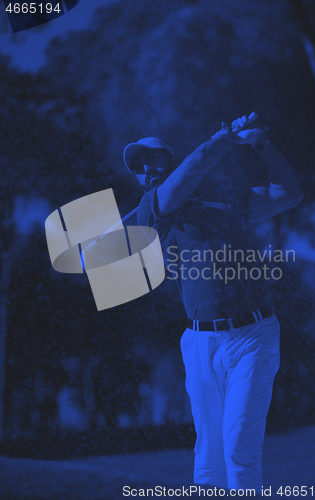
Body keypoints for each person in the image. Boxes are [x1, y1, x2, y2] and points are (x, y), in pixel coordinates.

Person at [123, 116, 303, 493]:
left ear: (170, 160)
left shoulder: (224, 201)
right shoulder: (151, 211)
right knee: (208, 463)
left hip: (253, 337)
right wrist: (223, 138)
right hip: (199, 343)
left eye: (153, 160)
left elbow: (289, 194)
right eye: (138, 167)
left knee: (239, 451)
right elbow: (194, 167)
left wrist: (260, 143)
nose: (146, 170)